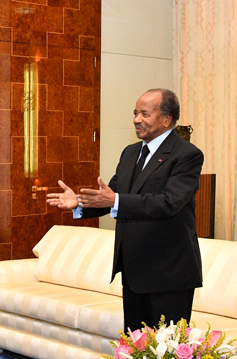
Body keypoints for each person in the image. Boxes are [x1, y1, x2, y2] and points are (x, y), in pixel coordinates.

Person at [46, 88, 203, 332]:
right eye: (134, 113)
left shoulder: (187, 155)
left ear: (166, 119)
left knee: (167, 352)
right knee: (135, 347)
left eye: (144, 114)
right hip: (133, 269)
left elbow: (169, 202)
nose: (136, 120)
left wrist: (116, 200)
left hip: (168, 273)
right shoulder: (131, 153)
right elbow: (112, 195)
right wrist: (79, 202)